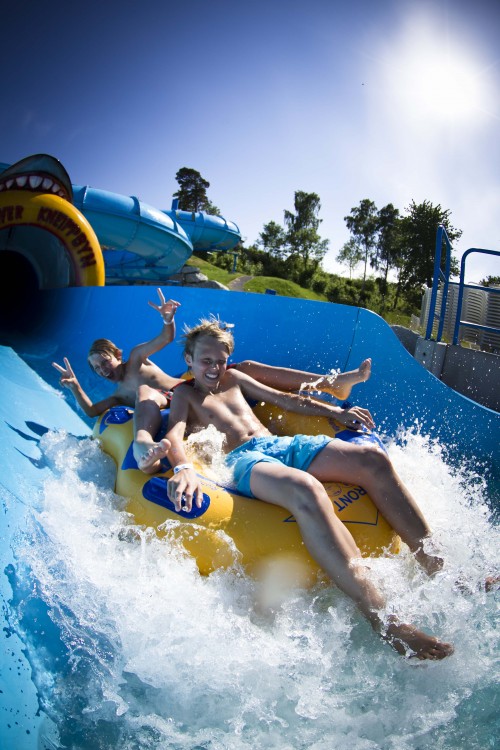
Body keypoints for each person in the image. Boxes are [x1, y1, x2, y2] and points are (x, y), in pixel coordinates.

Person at [164, 318, 454, 661]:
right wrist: (182, 468)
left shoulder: (235, 378)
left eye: (220, 359)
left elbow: (286, 400)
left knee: (373, 460)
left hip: (283, 447)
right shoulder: (185, 394)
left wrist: (336, 412)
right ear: (189, 360)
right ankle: (383, 618)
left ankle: (438, 566)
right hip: (246, 462)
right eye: (205, 361)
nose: (214, 368)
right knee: (307, 488)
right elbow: (174, 433)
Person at [52, 290, 374, 474]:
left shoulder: (135, 357)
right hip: (176, 397)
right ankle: (143, 444)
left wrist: (168, 319)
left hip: (184, 382)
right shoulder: (122, 393)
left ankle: (332, 383)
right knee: (144, 391)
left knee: (244, 366)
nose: (103, 369)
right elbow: (94, 411)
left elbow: (165, 337)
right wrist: (75, 386)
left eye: (104, 361)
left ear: (116, 354)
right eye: (96, 369)